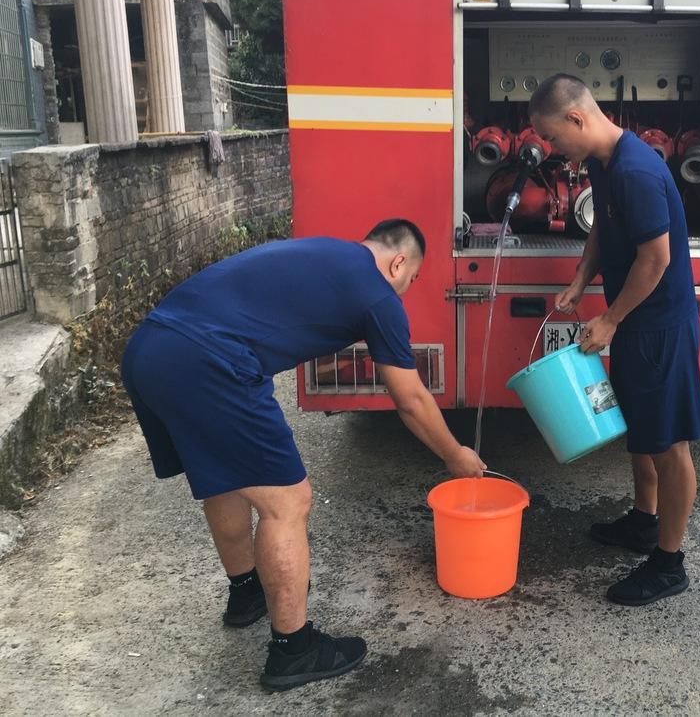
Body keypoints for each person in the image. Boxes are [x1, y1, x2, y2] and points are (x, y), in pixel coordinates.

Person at [120, 220, 485, 691]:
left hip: (151, 349)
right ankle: (294, 650)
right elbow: (410, 399)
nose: (405, 292)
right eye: (410, 280)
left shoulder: (328, 254)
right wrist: (455, 455)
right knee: (287, 502)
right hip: (209, 363)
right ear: (398, 263)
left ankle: (246, 594)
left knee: (225, 477)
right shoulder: (377, 294)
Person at [529, 74, 700, 606]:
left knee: (670, 444)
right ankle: (643, 520)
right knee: (641, 428)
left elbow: (657, 259)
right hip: (635, 322)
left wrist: (609, 318)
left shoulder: (635, 170)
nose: (555, 150)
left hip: (660, 326)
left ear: (577, 119)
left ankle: (669, 562)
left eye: (555, 138)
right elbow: (605, 230)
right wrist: (583, 277)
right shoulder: (603, 165)